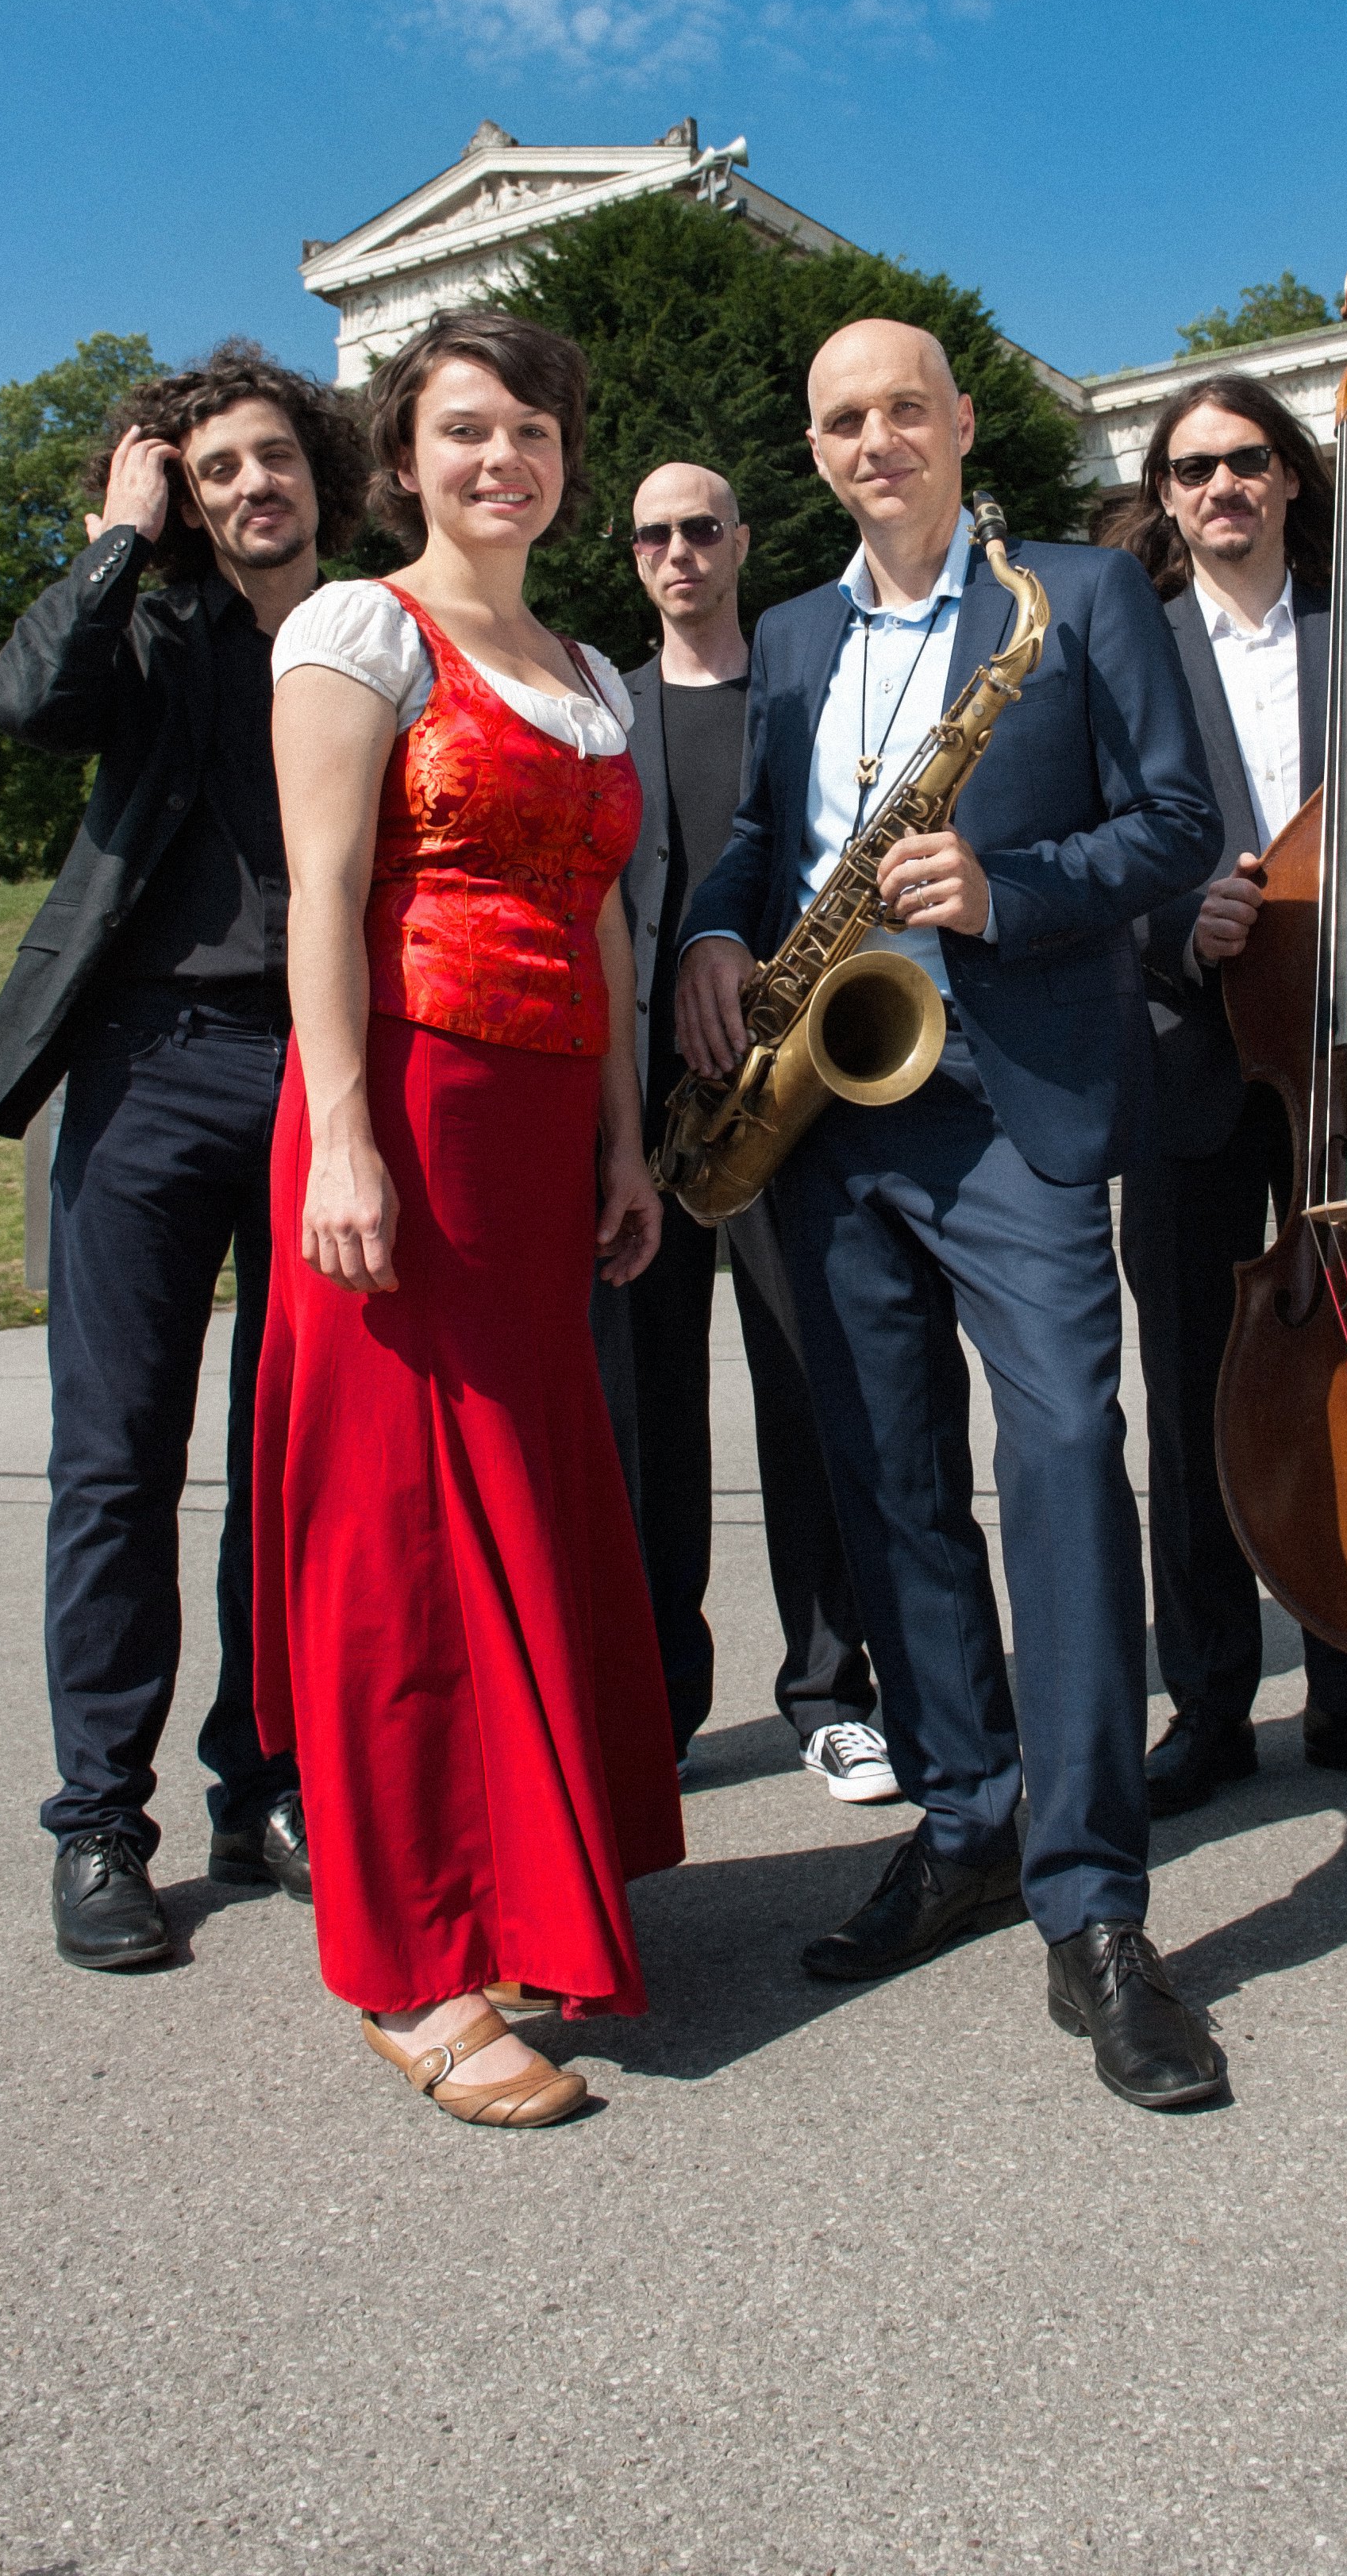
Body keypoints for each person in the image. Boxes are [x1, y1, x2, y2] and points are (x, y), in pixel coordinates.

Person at [677, 318, 1229, 2114]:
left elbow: (1169, 826)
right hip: (832, 1112)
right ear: (818, 450)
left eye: (903, 407)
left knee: (1065, 1455)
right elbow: (762, 839)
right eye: (840, 418)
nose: (873, 439)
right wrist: (705, 932)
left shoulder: (1073, 597)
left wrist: (1004, 886)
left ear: (960, 423)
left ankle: (1094, 1905)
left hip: (1013, 1095)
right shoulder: (787, 637)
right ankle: (964, 1821)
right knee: (887, 1486)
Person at [256, 309, 682, 2130]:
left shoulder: (582, 666)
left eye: (529, 431)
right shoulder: (359, 630)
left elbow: (592, 915)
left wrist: (621, 1143)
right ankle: (408, 1969)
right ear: (402, 456)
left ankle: (514, 1893)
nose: (500, 458)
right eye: (462, 431)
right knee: (397, 1535)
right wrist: (342, 1138)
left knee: (509, 1504)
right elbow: (326, 891)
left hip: (534, 1131)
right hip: (401, 1114)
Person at [0, 344, 371, 1973]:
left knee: (292, 1458)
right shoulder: (149, 624)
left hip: (322, 1069)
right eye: (215, 471)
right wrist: (118, 533)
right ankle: (99, 1822)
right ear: (185, 496)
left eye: (274, 456)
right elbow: (24, 704)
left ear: (322, 469)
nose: (252, 485)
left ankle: (258, 1786)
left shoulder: (376, 631)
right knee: (116, 1458)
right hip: (145, 1071)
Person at [1106, 372, 1347, 1819]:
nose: (1221, 488)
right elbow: (1090, 845)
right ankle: (1206, 1704)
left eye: (1247, 461)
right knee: (1202, 1393)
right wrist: (1164, 926)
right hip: (1196, 1060)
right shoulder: (1124, 647)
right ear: (1164, 493)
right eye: (1192, 467)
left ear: (1288, 480)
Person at [591, 460, 891, 1800]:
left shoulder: (805, 696)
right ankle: (653, 1702)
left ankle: (829, 1690)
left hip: (784, 1097)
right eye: (652, 533)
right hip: (644, 1119)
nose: (677, 551)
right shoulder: (601, 709)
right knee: (646, 1418)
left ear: (742, 538)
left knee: (806, 1391)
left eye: (701, 526)